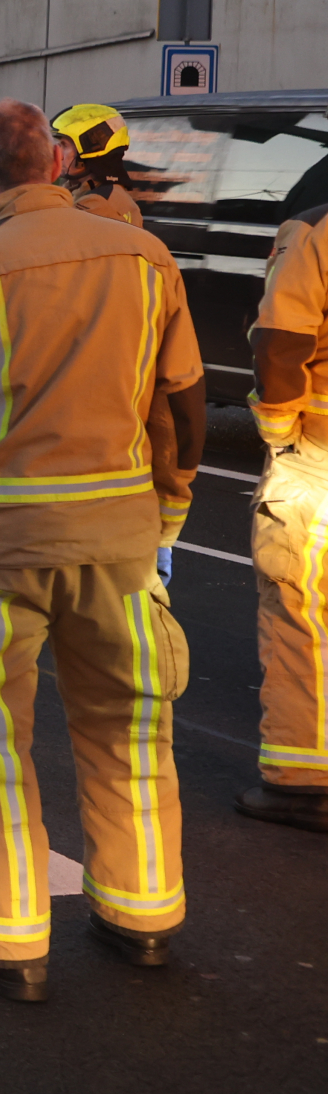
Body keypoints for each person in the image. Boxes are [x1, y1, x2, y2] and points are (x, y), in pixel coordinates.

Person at [0, 99, 206, 1003]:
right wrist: (166, 519)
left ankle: (12, 939)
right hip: (118, 543)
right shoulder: (147, 260)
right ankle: (142, 916)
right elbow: (180, 408)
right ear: (57, 165)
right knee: (131, 727)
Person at [54, 102, 192, 580]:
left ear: (90, 153)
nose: (57, 155)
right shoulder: (102, 201)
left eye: (65, 147)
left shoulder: (99, 209)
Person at [236, 206, 328, 832]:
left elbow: (282, 339)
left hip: (318, 454)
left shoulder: (317, 233)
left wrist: (278, 435)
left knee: (298, 609)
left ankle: (300, 780)